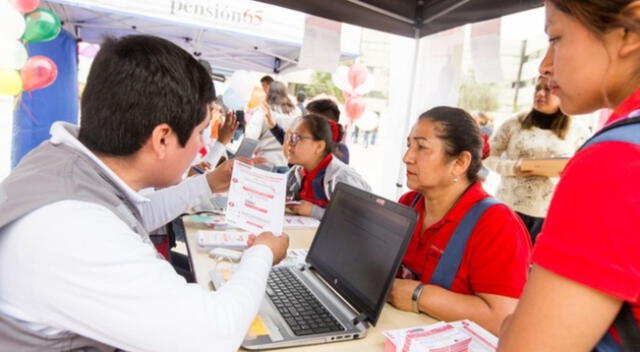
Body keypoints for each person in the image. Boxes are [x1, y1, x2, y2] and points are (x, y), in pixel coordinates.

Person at [0, 35, 289, 352]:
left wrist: (209, 182)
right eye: (198, 132)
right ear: (163, 138)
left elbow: (132, 215)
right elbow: (212, 335)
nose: (198, 146)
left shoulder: (63, 162)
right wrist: (262, 252)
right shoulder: (73, 229)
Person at [498, 1, 640, 351]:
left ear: (628, 32)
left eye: (556, 37)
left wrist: (511, 326)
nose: (546, 64)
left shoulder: (617, 160)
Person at [388, 106, 532, 335]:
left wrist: (419, 295)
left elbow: (502, 319)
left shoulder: (497, 224)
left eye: (422, 147)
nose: (407, 157)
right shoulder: (409, 203)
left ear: (460, 162)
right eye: (409, 145)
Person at [485, 76, 589, 243]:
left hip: (548, 215)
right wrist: (512, 167)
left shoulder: (579, 131)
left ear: (562, 93)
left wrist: (566, 171)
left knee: (532, 266)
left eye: (547, 89)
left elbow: (586, 171)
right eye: (537, 88)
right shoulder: (514, 122)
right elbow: (487, 156)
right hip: (509, 208)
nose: (540, 94)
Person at [285, 114, 370, 220]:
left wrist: (314, 211)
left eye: (297, 137)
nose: (289, 143)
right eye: (289, 136)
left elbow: (357, 221)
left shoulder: (342, 179)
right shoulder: (296, 172)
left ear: (319, 146)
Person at [264, 98, 350, 164]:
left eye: (309, 120)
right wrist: (273, 126)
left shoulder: (339, 153)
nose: (304, 123)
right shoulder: (313, 146)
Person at [245, 81, 299, 170]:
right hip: (287, 162)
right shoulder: (296, 112)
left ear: (268, 93)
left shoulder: (264, 111)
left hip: (265, 161)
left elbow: (251, 136)